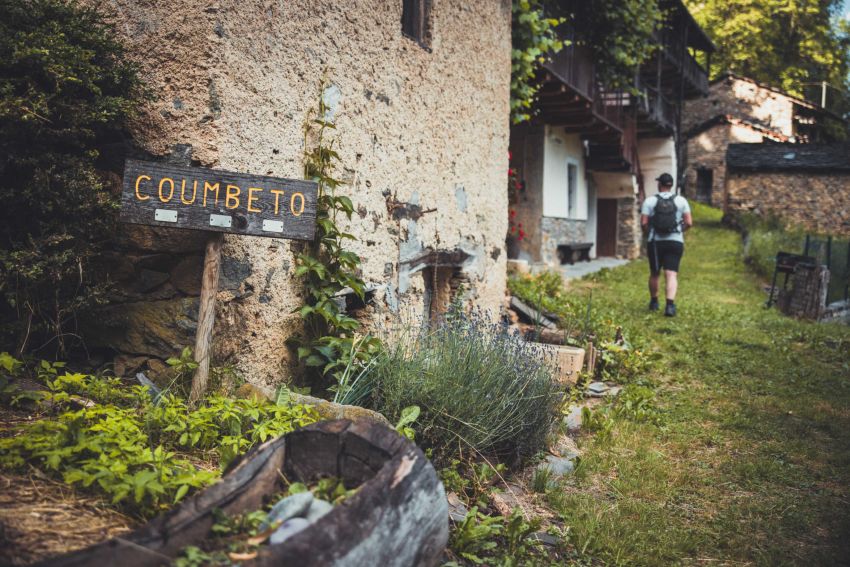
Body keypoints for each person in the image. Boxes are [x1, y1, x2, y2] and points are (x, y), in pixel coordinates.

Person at [641, 173, 692, 317]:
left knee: (655, 273)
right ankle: (670, 306)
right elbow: (689, 222)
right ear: (671, 185)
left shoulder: (650, 201)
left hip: (655, 242)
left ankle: (654, 302)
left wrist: (648, 234)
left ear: (659, 184)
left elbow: (644, 223)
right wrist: (679, 231)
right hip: (675, 241)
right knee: (671, 274)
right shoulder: (681, 201)